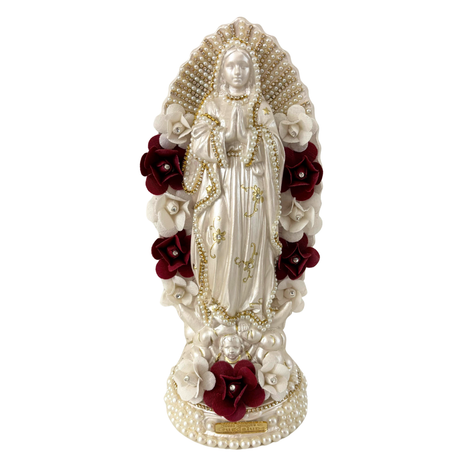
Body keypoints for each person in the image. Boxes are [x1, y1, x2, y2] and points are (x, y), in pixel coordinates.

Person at [184, 44, 285, 321]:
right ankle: (218, 304)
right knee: (218, 239)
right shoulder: (212, 104)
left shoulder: (260, 106)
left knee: (251, 237)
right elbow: (198, 144)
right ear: (222, 71)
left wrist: (250, 139)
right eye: (231, 65)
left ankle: (250, 306)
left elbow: (276, 148)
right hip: (221, 182)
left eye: (243, 65)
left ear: (251, 71)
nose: (237, 71)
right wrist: (225, 138)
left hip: (253, 181)